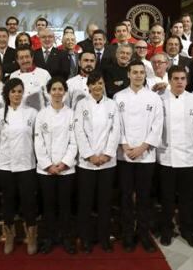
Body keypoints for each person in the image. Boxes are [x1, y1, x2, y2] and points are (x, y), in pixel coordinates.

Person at [114, 60, 163, 252]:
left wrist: (142, 147)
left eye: (141, 72)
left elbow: (158, 125)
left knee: (144, 197)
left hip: (146, 155)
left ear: (145, 74)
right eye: (134, 72)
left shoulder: (154, 98)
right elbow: (116, 124)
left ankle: (144, 234)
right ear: (128, 74)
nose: (138, 75)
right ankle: (127, 234)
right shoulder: (118, 97)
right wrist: (125, 145)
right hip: (124, 155)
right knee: (126, 196)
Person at [157, 65, 193, 248]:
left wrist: (191, 145)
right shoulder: (160, 100)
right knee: (167, 197)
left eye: (182, 79)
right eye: (175, 78)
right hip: (167, 156)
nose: (179, 82)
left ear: (187, 80)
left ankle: (187, 230)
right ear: (169, 80)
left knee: (187, 198)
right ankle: (166, 230)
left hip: (189, 156)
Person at [74, 71, 120, 253]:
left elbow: (115, 130)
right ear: (89, 87)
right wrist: (90, 155)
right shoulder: (81, 104)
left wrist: (107, 154)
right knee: (85, 202)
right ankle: (86, 238)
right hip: (87, 163)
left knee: (105, 202)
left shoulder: (112, 105)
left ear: (104, 85)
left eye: (100, 83)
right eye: (93, 84)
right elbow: (79, 131)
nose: (97, 87)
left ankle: (104, 237)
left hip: (107, 162)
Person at [0, 78, 39, 255]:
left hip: (27, 164)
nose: (17, 94)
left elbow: (35, 138)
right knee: (8, 202)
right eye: (13, 91)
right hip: (6, 165)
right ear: (7, 93)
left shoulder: (32, 113)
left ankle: (32, 237)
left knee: (29, 202)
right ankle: (9, 237)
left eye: (20, 91)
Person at [34, 78, 78, 254]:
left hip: (66, 169)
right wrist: (48, 165)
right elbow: (38, 141)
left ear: (65, 92)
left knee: (66, 205)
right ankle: (49, 238)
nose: (58, 92)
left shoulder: (72, 114)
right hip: (46, 170)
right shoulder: (41, 115)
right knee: (48, 206)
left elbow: (74, 142)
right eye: (54, 89)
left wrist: (64, 164)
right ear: (48, 92)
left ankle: (67, 238)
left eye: (61, 89)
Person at [10, 46, 51, 110]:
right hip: (21, 115)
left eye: (27, 57)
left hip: (40, 116)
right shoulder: (13, 76)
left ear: (32, 57)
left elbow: (50, 99)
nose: (25, 60)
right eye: (21, 58)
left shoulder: (44, 73)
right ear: (17, 60)